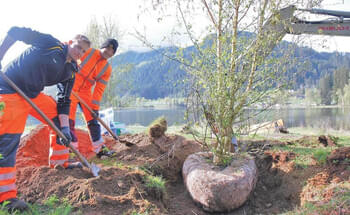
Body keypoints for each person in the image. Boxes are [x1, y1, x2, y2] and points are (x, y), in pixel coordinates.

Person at [0, 26, 90, 212]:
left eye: (83, 50)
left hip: (32, 95)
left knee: (58, 118)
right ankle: (6, 198)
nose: (78, 51)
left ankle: (59, 163)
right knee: (9, 141)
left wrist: (65, 129)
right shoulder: (50, 44)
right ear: (70, 42)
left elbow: (64, 100)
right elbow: (16, 31)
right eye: (77, 45)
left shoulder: (71, 70)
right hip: (11, 89)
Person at [68, 38, 118, 158]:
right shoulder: (88, 51)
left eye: (113, 51)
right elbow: (70, 57)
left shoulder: (107, 68)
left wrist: (95, 108)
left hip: (85, 92)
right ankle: (71, 150)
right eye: (108, 48)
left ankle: (100, 151)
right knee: (69, 119)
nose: (109, 52)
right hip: (71, 87)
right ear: (103, 46)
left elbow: (99, 89)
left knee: (93, 120)